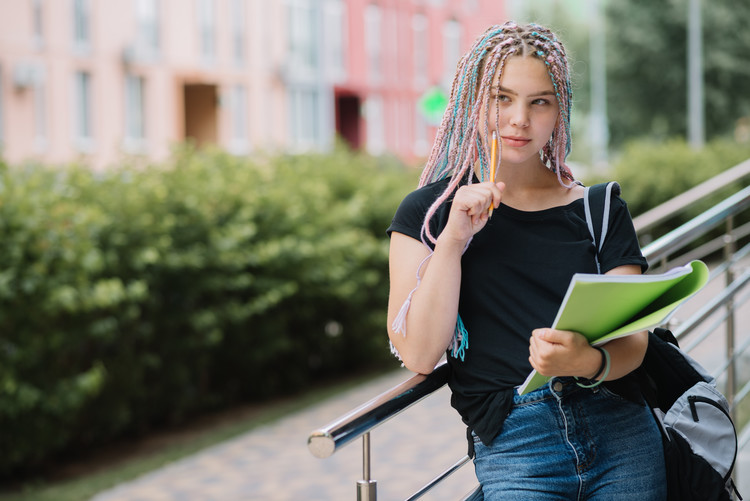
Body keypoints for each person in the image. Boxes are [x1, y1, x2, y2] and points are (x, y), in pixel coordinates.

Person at [386, 22, 666, 500]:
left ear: (559, 113)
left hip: (622, 434)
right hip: (517, 445)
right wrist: (453, 240)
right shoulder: (428, 213)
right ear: (472, 101)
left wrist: (588, 360)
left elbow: (634, 343)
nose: (519, 119)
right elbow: (418, 353)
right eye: (502, 97)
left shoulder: (599, 210)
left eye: (540, 101)